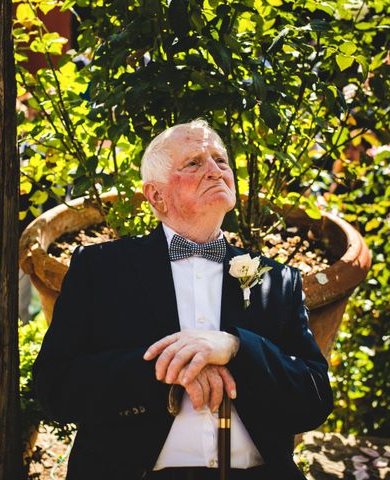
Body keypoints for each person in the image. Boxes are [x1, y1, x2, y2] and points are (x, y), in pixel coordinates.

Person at [33, 120, 333, 480]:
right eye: (194, 163)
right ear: (156, 196)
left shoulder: (276, 279)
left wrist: (237, 348)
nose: (215, 171)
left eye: (221, 161)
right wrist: (170, 367)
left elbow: (314, 401)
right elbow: (56, 389)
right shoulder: (100, 270)